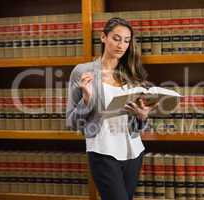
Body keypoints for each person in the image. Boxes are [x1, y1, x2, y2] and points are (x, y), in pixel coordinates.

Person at [66, 17, 157, 200]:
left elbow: (136, 125)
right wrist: (86, 99)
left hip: (133, 151)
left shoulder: (131, 73)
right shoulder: (83, 72)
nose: (121, 45)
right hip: (102, 151)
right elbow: (71, 122)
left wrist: (142, 116)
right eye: (116, 38)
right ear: (103, 37)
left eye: (126, 40)